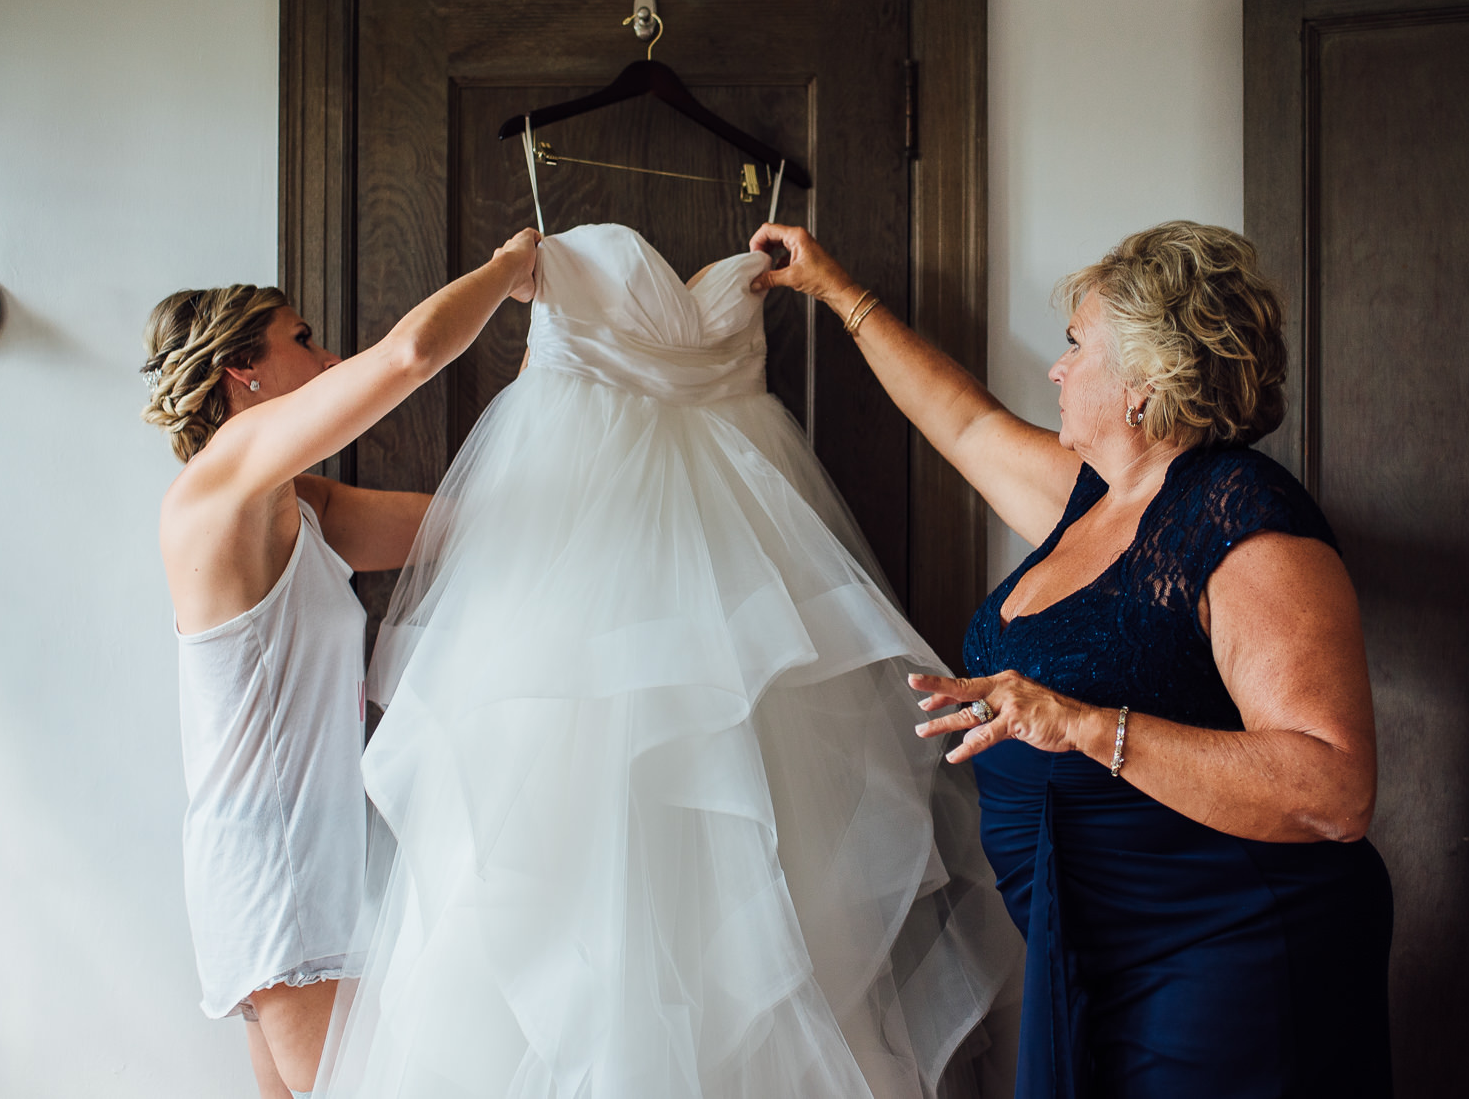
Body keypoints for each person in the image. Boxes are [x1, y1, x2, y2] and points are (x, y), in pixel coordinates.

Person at [314, 221, 1021, 1099]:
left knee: (754, 833)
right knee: (573, 819)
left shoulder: (562, 258)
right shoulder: (549, 262)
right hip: (586, 558)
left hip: (737, 546)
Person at [752, 219, 1394, 1097]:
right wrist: (835, 292)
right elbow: (966, 425)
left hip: (1222, 950)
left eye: (1074, 345)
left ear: (1142, 382)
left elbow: (1334, 790)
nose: (1056, 368)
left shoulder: (1241, 512)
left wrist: (1084, 726)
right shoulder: (1096, 499)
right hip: (1096, 949)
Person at [139, 229, 540, 1099]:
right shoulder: (224, 483)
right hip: (281, 874)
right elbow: (408, 355)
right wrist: (512, 270)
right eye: (304, 340)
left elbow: (460, 525)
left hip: (291, 867)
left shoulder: (296, 505)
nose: (326, 359)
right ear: (243, 369)